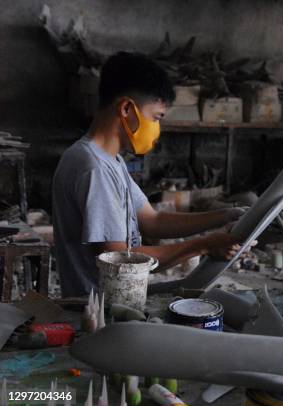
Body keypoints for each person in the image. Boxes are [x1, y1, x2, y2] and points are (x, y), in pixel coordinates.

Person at [52, 52, 243, 297]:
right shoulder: (93, 168)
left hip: (117, 297)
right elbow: (122, 264)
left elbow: (153, 221)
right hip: (98, 309)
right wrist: (204, 245)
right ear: (126, 109)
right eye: (156, 117)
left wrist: (226, 215)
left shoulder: (111, 161)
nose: (157, 128)